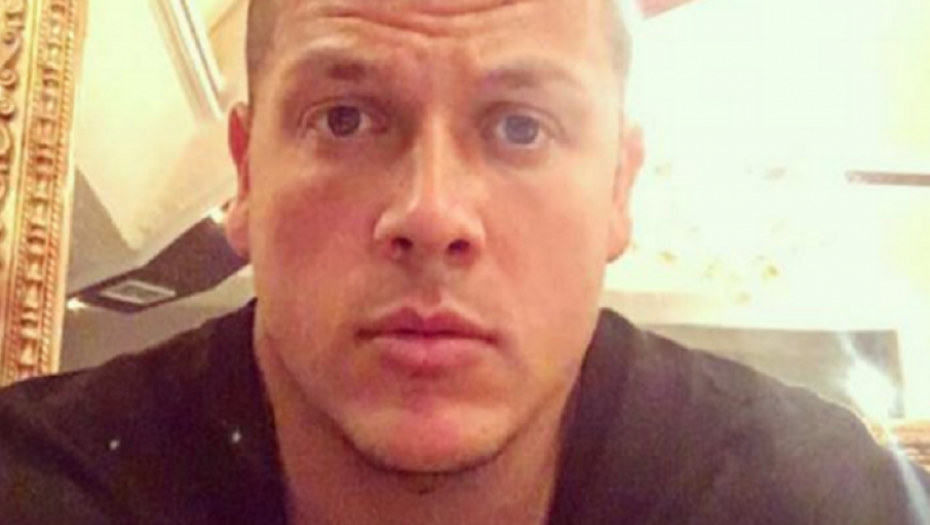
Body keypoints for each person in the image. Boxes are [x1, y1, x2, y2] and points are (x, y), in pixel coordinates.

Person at [2, 0, 929, 523]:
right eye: (345, 118)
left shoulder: (816, 501)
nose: (432, 215)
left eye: (521, 126)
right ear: (246, 176)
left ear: (618, 187)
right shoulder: (37, 487)